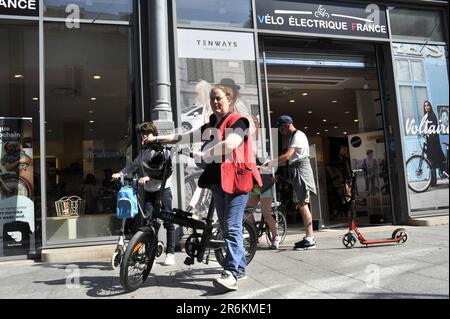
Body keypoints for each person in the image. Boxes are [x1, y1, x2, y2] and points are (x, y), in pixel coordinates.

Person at [147, 85, 262, 291]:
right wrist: (156, 138)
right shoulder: (211, 125)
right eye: (212, 99)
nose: (215, 102)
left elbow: (231, 144)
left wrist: (206, 154)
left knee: (231, 226)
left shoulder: (239, 121)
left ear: (229, 99)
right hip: (219, 182)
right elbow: (184, 137)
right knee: (226, 227)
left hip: (237, 181)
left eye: (218, 98)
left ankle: (231, 274)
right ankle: (240, 268)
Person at [112, 121, 177, 267]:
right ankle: (149, 254)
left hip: (162, 190)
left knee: (168, 221)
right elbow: (133, 165)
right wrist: (121, 173)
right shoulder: (143, 152)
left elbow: (164, 170)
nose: (143, 138)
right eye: (142, 136)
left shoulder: (162, 149)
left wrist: (149, 177)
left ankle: (171, 253)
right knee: (148, 223)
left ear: (153, 135)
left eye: (146, 135)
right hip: (149, 191)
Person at [262, 115, 317, 250]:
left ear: (287, 125)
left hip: (301, 170)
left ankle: (310, 238)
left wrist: (271, 163)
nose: (281, 131)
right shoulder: (295, 136)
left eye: (281, 128)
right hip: (297, 170)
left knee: (303, 204)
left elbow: (287, 156)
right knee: (301, 203)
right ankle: (309, 237)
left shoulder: (298, 135)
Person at [246, 116, 280, 249]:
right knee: (247, 211)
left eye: (252, 124)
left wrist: (263, 166)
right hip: (255, 181)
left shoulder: (264, 140)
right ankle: (253, 234)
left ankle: (275, 236)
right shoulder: (248, 140)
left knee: (266, 213)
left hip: (265, 181)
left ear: (257, 124)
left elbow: (269, 160)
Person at [422, 100, 446, 186]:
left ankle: (434, 181)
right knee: (431, 162)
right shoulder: (426, 116)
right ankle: (433, 182)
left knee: (434, 161)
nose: (426, 107)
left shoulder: (432, 115)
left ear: (430, 106)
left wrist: (428, 132)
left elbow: (434, 128)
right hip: (429, 141)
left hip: (433, 141)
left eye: (428, 105)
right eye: (425, 106)